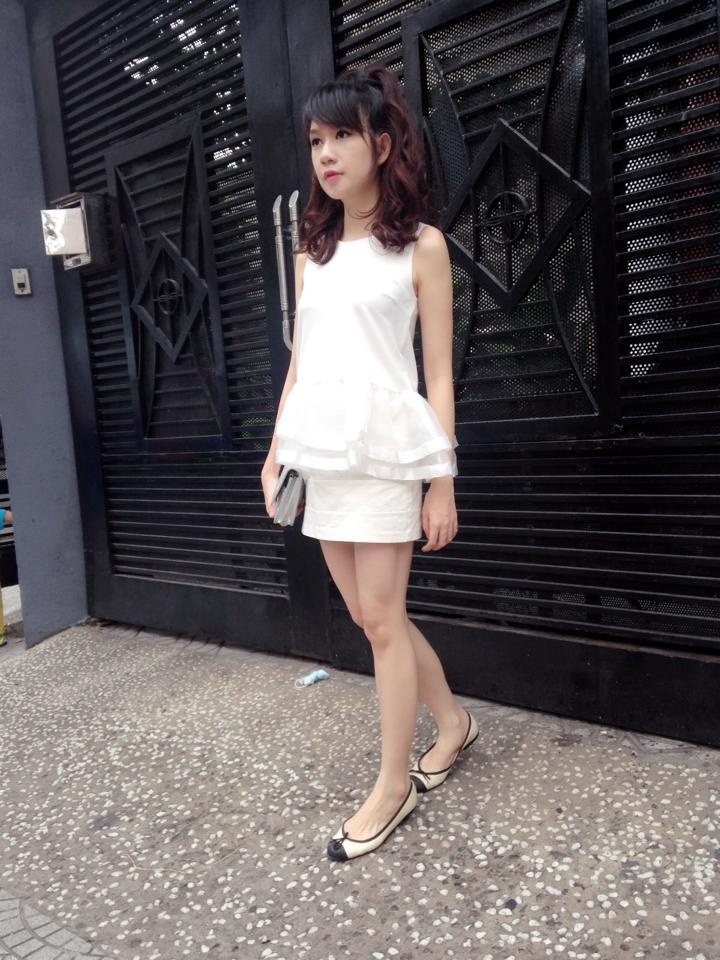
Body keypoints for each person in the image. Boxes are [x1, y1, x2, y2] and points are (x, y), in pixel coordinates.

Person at [261, 65, 478, 862]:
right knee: (367, 616)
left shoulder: (422, 247)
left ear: (382, 146)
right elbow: (302, 361)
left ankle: (392, 787)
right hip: (322, 453)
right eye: (316, 140)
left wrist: (441, 480)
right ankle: (453, 721)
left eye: (342, 136)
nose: (325, 153)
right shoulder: (310, 251)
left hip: (387, 453)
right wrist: (275, 452)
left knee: (383, 619)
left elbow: (439, 376)